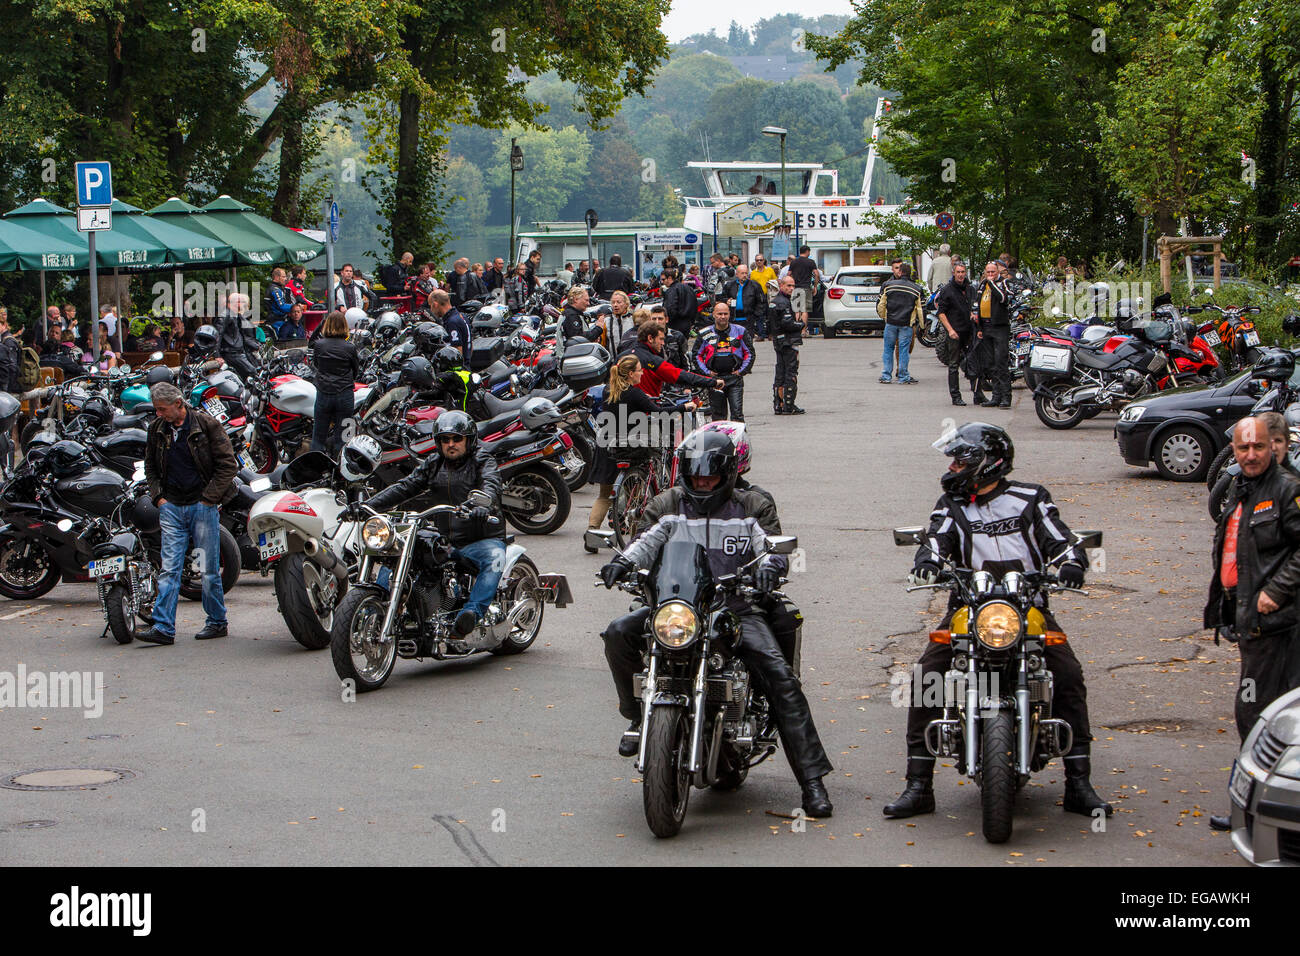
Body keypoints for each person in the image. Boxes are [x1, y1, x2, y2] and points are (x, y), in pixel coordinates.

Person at [598, 428, 835, 817]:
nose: (702, 483)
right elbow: (645, 543)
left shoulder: (751, 505)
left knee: (779, 676)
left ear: (727, 475)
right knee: (618, 633)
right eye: (695, 477)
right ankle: (639, 717)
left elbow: (771, 547)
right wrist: (623, 562)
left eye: (709, 477)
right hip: (678, 608)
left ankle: (812, 782)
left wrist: (770, 569)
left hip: (735, 608)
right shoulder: (668, 504)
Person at [885, 422, 1112, 819]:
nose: (953, 467)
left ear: (987, 462)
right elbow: (937, 541)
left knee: (1069, 675)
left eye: (961, 460)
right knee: (926, 678)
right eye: (953, 461)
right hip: (969, 608)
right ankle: (918, 786)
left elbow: (1059, 539)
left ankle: (1079, 783)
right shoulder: (951, 503)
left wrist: (1073, 563)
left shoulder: (1030, 498)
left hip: (1028, 607)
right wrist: (925, 564)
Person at [1205, 416, 1300, 831]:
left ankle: (1253, 811)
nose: (1251, 455)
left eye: (1258, 447)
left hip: (1280, 628)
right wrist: (1225, 611)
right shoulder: (1240, 487)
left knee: (1256, 714)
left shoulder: (1287, 490)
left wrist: (1276, 590)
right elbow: (1233, 552)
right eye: (1242, 449)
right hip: (1251, 627)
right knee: (1256, 715)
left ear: (1273, 447)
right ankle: (1255, 809)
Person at [352, 411, 503, 636]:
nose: (451, 444)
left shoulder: (482, 460)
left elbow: (491, 484)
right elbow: (405, 487)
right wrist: (367, 506)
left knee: (495, 558)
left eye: (456, 439)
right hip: (447, 543)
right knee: (397, 552)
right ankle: (379, 604)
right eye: (445, 439)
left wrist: (484, 505)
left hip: (479, 539)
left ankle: (470, 614)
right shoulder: (433, 463)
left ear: (469, 440)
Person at [137, 382, 238, 645]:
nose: (159, 414)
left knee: (208, 569)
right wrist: (159, 497)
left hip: (201, 508)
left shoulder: (206, 425)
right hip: (172, 508)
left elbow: (228, 465)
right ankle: (163, 627)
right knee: (169, 569)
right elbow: (150, 465)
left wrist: (208, 499)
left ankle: (217, 621)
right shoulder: (157, 429)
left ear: (178, 404)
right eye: (157, 410)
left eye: (162, 409)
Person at [585, 353, 698, 543]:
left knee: (604, 495)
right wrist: (684, 408)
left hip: (608, 446)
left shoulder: (608, 390)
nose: (642, 373)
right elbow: (658, 412)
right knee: (638, 489)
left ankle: (591, 534)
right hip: (631, 447)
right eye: (639, 370)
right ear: (630, 374)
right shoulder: (634, 393)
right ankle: (637, 533)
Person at [308, 310, 359, 456]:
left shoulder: (319, 345)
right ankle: (341, 470)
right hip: (345, 394)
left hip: (324, 393)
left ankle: (316, 470)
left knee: (318, 437)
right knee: (344, 438)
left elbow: (316, 364)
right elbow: (355, 370)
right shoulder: (350, 347)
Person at [693, 300, 753, 421]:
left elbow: (750, 353)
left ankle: (739, 439)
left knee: (737, 414)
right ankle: (719, 439)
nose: (723, 317)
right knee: (718, 416)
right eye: (720, 314)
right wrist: (706, 372)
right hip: (715, 380)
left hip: (734, 379)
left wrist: (742, 371)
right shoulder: (705, 333)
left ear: (729, 314)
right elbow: (696, 355)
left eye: (725, 314)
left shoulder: (740, 331)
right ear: (714, 314)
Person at [632, 320, 722, 400]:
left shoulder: (624, 355)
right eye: (661, 339)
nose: (663, 343)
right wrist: (712, 382)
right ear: (650, 338)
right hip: (646, 411)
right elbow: (680, 375)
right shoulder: (652, 361)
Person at [970, 261, 1012, 408]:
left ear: (997, 272)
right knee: (991, 364)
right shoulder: (983, 285)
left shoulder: (1003, 283)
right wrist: (979, 327)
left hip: (1000, 327)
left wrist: (992, 283)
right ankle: (996, 396)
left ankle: (1006, 397)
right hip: (986, 327)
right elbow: (978, 303)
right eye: (988, 272)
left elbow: (1003, 299)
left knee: (1001, 362)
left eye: (992, 272)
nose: (990, 275)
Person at [878, 261, 925, 385]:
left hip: (891, 322)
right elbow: (920, 309)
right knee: (904, 350)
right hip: (906, 324)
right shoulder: (916, 289)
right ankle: (903, 376)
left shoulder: (888, 285)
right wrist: (922, 325)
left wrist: (884, 317)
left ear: (900, 272)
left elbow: (881, 304)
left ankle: (886, 375)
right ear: (910, 273)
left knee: (888, 348)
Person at [935, 262, 975, 406]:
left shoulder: (969, 288)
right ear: (953, 273)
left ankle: (977, 394)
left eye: (963, 272)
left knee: (973, 362)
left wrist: (972, 315)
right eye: (958, 272)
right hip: (954, 332)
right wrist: (950, 330)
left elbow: (971, 306)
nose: (960, 274)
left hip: (968, 330)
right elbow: (941, 313)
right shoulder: (947, 290)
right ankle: (955, 396)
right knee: (954, 364)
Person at [770, 275, 805, 415]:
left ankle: (779, 404)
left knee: (780, 372)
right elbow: (787, 323)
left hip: (779, 340)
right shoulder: (783, 302)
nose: (791, 288)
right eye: (788, 286)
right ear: (781, 285)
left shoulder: (775, 301)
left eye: (793, 286)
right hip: (788, 341)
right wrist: (801, 324)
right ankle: (788, 405)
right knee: (790, 372)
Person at [216, 291, 259, 381]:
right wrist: (217, 355)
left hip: (240, 351)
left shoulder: (237, 316)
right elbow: (218, 335)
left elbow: (244, 336)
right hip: (231, 353)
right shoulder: (225, 315)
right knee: (252, 372)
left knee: (255, 371)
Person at [427, 289, 472, 363]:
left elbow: (457, 349)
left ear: (435, 304)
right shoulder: (462, 316)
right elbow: (470, 344)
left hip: (459, 369)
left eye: (430, 306)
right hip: (467, 364)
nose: (431, 310)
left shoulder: (452, 322)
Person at [722, 264, 766, 339]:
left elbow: (761, 302)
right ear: (737, 274)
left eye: (746, 273)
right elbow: (722, 298)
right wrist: (726, 301)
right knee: (733, 342)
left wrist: (755, 316)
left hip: (748, 320)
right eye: (742, 273)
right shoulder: (729, 285)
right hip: (733, 319)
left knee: (747, 344)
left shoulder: (754, 285)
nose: (745, 275)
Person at [660, 269, 696, 345]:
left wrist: (667, 322)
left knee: (674, 347)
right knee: (683, 347)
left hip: (675, 324)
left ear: (669, 278)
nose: (662, 282)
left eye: (663, 279)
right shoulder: (688, 288)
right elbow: (695, 306)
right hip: (687, 324)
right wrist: (691, 322)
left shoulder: (671, 290)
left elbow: (670, 308)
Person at [788, 246, 818, 327]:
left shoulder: (794, 262)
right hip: (806, 288)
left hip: (796, 288)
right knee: (805, 310)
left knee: (797, 310)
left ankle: (797, 329)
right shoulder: (811, 262)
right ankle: (803, 331)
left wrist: (790, 285)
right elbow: (816, 274)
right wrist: (815, 286)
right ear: (807, 251)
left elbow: (789, 274)